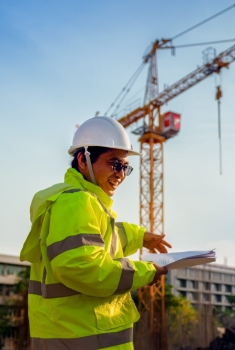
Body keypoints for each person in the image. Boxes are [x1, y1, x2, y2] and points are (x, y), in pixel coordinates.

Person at [20, 116, 172, 350]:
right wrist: (145, 271)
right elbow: (83, 266)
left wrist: (139, 236)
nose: (121, 174)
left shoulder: (86, 202)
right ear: (83, 160)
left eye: (125, 167)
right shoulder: (77, 202)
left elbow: (101, 239)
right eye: (115, 164)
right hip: (80, 338)